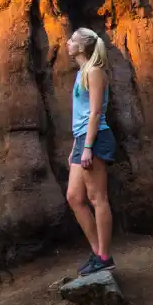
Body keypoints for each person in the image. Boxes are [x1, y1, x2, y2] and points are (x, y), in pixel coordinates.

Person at [65, 27, 116, 276]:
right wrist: (76, 146)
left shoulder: (95, 73)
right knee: (75, 197)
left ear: (83, 46)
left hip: (95, 140)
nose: (68, 42)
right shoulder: (81, 73)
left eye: (72, 40)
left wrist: (86, 147)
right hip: (82, 140)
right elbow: (81, 116)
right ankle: (99, 253)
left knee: (98, 199)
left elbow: (96, 113)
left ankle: (104, 256)